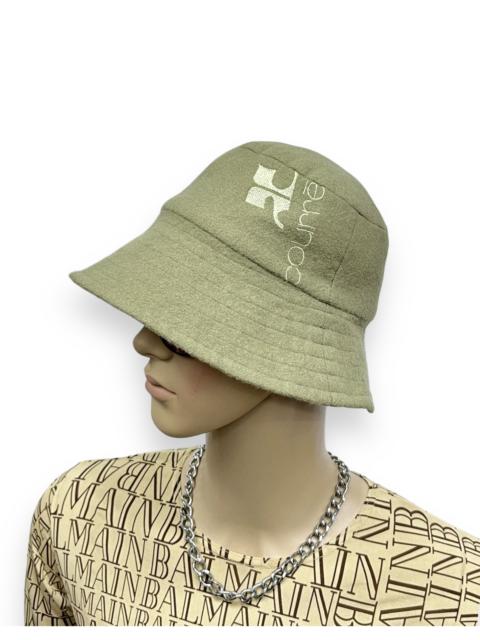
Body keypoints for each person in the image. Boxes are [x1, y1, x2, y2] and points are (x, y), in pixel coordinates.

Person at [24, 141, 480, 626]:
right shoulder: (78, 515)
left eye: (186, 324)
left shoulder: (450, 594)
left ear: (296, 342)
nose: (143, 342)